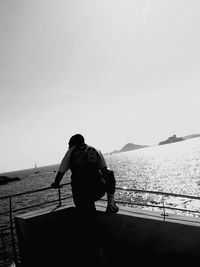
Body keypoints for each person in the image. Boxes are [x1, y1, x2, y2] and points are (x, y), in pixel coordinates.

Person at [51, 134, 119, 213]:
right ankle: (111, 204)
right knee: (110, 173)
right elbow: (105, 172)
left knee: (86, 213)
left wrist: (56, 184)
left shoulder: (70, 152)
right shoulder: (95, 150)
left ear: (74, 143)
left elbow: (60, 172)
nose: (68, 147)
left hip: (80, 194)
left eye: (69, 144)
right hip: (97, 191)